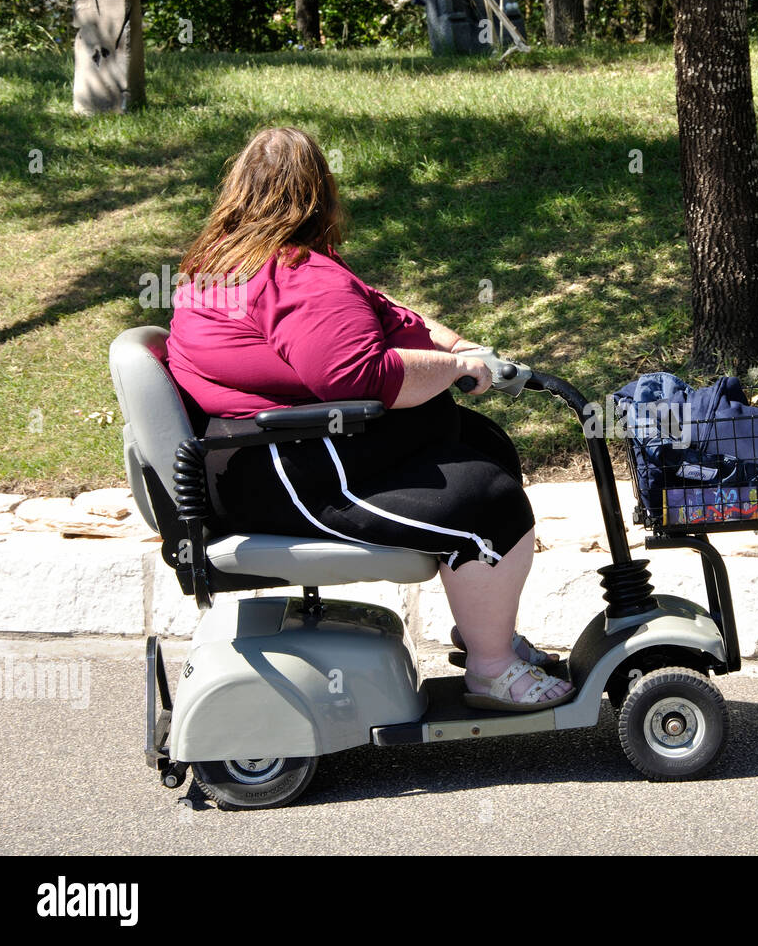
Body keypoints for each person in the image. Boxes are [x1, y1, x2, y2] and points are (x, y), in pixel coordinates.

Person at [165, 126, 571, 711]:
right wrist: (456, 369)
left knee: (481, 442)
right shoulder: (293, 276)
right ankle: (491, 668)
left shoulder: (226, 265)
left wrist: (456, 345)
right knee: (487, 502)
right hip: (289, 464)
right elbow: (358, 377)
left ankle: (489, 633)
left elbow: (383, 310)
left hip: (272, 454)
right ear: (323, 194)